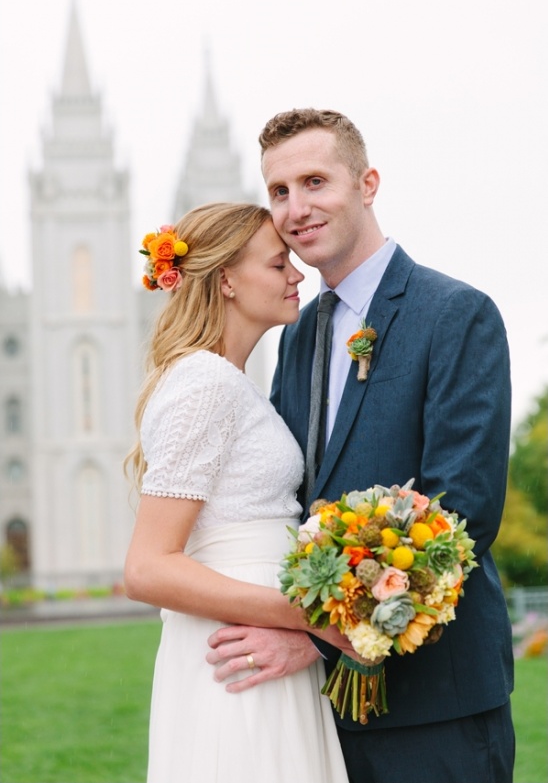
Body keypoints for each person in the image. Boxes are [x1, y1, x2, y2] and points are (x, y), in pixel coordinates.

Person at [206, 111, 515, 783]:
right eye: (280, 191)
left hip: (440, 705)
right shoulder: (297, 331)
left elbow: (462, 511)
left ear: (367, 182)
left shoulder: (456, 314)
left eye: (315, 181)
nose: (296, 207)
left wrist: (313, 635)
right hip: (319, 718)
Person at [123, 201, 351, 783]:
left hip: (257, 646)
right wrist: (312, 616)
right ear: (227, 279)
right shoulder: (204, 383)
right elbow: (147, 569)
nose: (298, 275)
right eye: (279, 265)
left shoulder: (232, 382)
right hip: (240, 655)